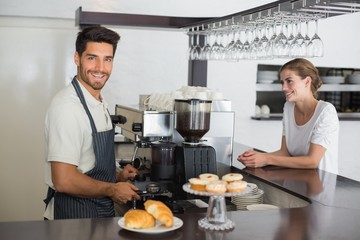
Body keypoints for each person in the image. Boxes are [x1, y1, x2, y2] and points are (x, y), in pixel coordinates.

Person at [43, 26, 140, 220]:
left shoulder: (97, 100)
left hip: (97, 212)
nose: (100, 68)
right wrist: (112, 189)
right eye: (92, 57)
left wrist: (118, 176)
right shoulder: (67, 107)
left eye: (108, 59)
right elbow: (64, 180)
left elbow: (88, 162)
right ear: (77, 58)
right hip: (73, 218)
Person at [238, 58, 339, 174]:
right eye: (282, 82)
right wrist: (257, 157)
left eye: (289, 81)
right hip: (295, 179)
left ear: (307, 81)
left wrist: (266, 159)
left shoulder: (326, 111)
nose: (284, 88)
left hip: (321, 185)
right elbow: (285, 152)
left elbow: (312, 161)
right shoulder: (288, 107)